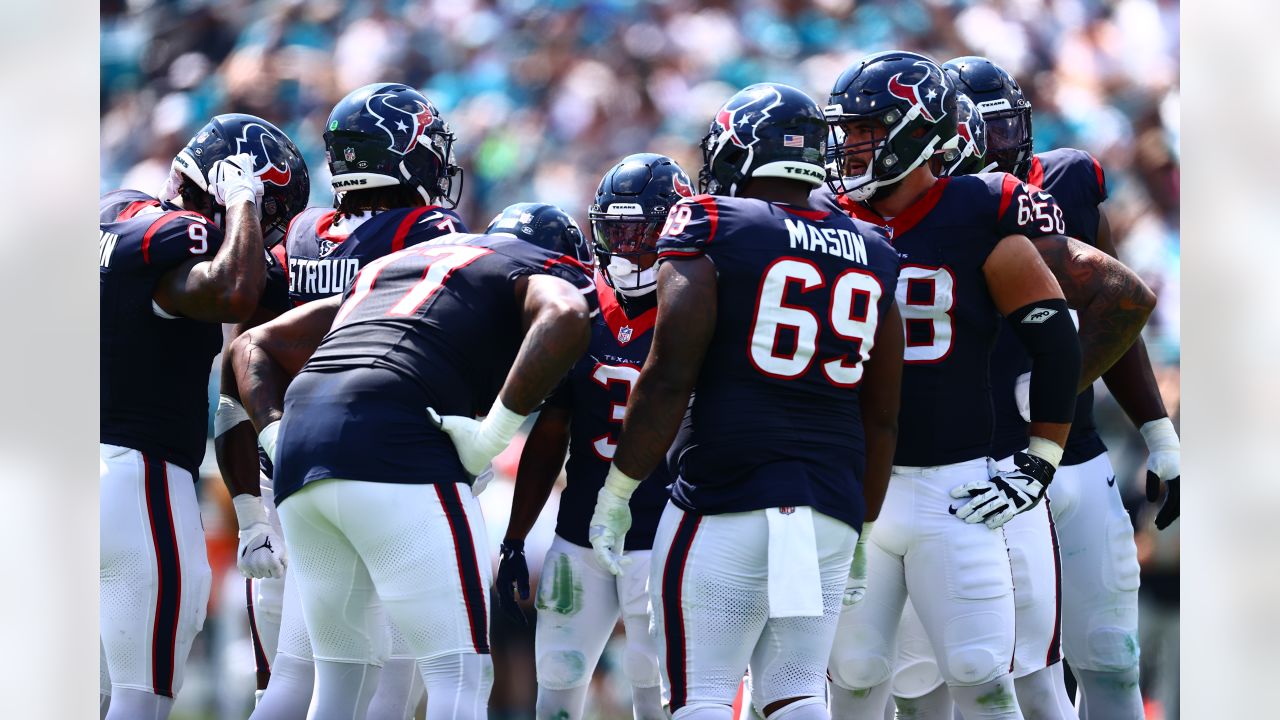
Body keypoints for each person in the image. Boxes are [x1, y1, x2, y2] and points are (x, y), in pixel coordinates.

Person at [588, 82, 905, 720]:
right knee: (795, 693)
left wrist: (618, 491)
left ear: (740, 149)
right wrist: (863, 525)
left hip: (726, 488)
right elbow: (883, 411)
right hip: (830, 500)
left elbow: (669, 374)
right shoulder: (875, 250)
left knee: (702, 694)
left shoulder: (713, 221)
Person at [228, 203, 596, 720]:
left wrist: (275, 438)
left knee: (337, 683)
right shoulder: (539, 268)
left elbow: (248, 345)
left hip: (302, 452)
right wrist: (492, 436)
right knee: (460, 675)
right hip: (397, 448)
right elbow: (565, 314)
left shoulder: (406, 265)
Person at [818, 50, 1094, 720]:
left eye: (866, 130)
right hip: (855, 485)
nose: (850, 147)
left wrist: (1040, 461)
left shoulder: (980, 207)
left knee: (981, 675)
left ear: (918, 131)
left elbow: (1057, 341)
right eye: (846, 132)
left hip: (956, 486)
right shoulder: (829, 217)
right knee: (852, 677)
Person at [215, 82, 468, 720]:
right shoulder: (424, 228)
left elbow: (241, 362)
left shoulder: (299, 235)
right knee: (386, 674)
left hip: (285, 466)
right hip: (378, 463)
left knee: (288, 678)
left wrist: (249, 504)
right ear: (404, 153)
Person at [946, 55, 1178, 720]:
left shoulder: (1066, 181)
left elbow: (1118, 307)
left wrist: (1159, 435)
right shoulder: (933, 211)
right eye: (987, 130)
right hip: (986, 464)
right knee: (1012, 671)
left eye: (1011, 124)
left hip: (1074, 456)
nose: (1007, 144)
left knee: (1110, 654)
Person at [99, 113, 308, 720]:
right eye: (268, 216)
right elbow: (236, 290)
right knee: (142, 698)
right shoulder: (185, 236)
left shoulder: (116, 210)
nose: (266, 233)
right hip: (139, 479)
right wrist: (242, 197)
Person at [496, 153, 692, 720]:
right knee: (556, 681)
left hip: (662, 529)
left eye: (642, 232)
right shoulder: (577, 309)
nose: (628, 247)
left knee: (655, 686)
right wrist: (516, 536)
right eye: (616, 231)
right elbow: (550, 431)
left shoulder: (694, 307)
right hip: (578, 529)